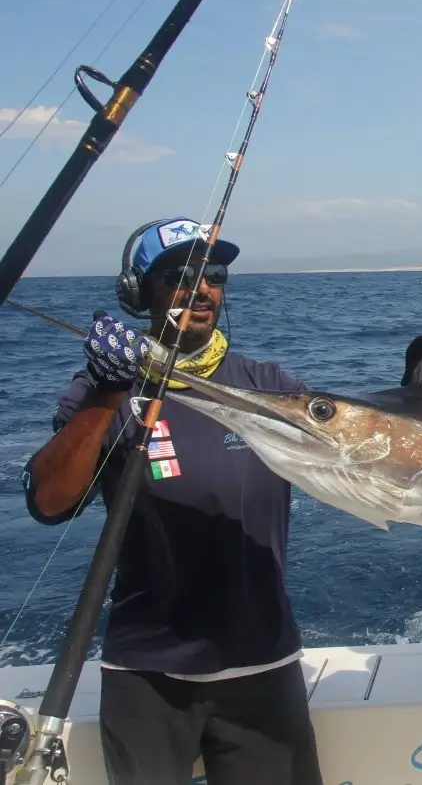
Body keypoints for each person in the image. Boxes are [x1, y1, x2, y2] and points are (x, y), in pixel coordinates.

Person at [22, 217, 324, 785]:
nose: (202, 287)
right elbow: (48, 502)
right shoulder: (101, 390)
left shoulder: (271, 385)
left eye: (213, 274)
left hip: (263, 660)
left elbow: (356, 457)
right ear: (141, 293)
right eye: (180, 275)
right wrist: (109, 390)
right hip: (147, 673)